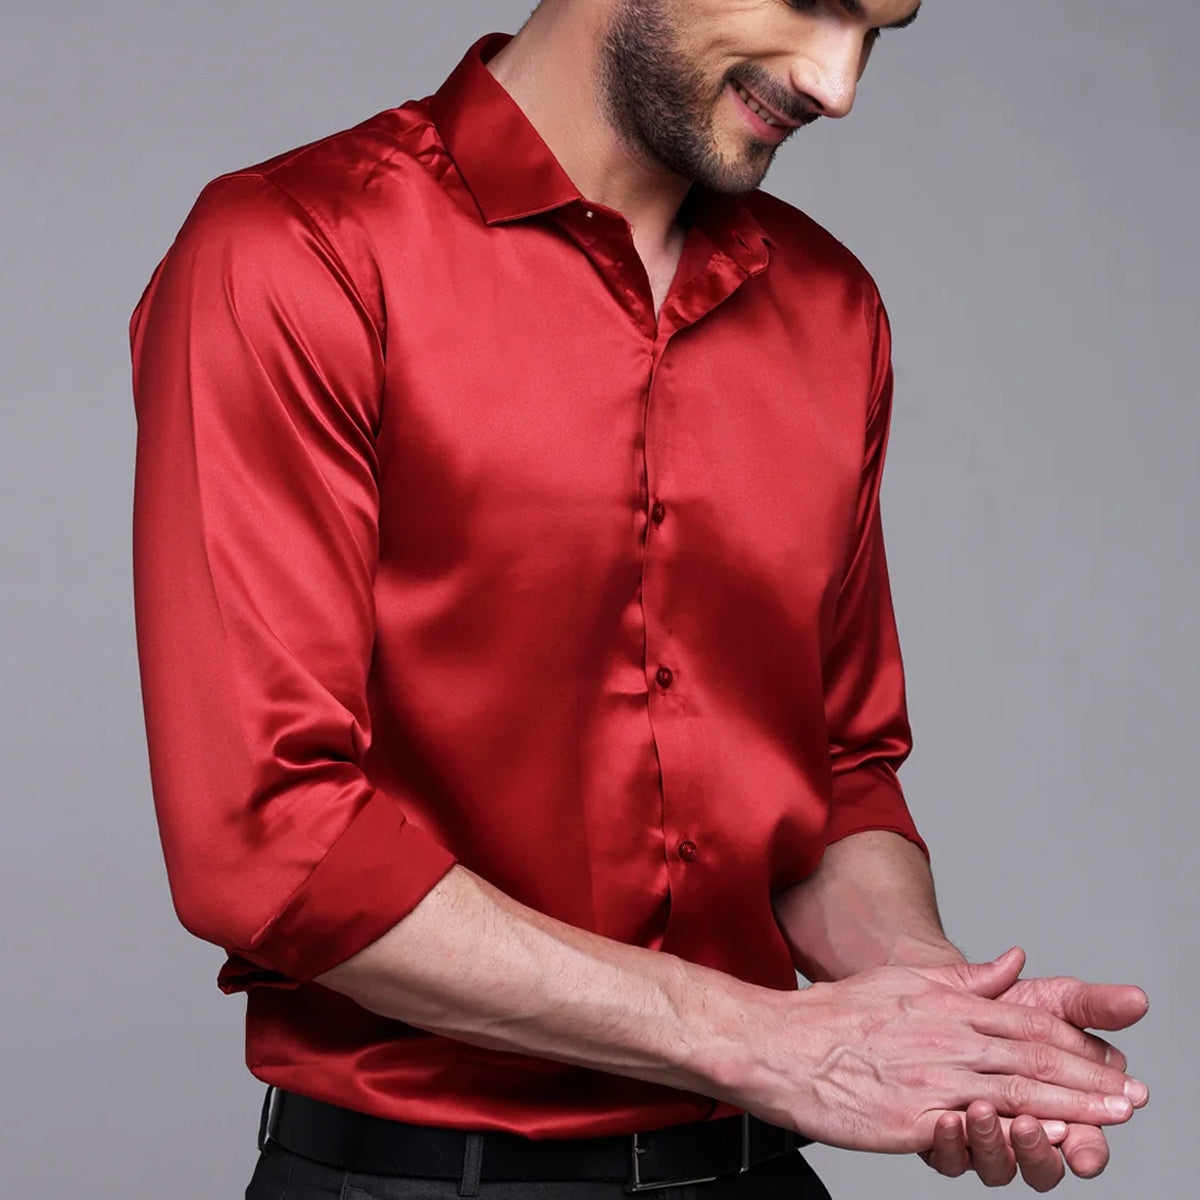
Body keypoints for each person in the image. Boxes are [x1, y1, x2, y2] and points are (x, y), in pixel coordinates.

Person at [129, 2, 1149, 1196]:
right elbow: (268, 843)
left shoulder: (833, 310)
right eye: (819, 5)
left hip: (755, 1171)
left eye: (882, 32)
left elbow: (831, 773)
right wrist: (765, 1040)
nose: (840, 84)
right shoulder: (297, 254)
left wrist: (935, 1017)